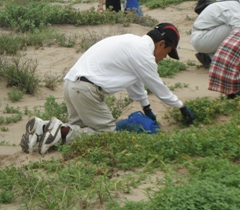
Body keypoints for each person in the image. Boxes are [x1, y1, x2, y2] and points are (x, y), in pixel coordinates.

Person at [20, 23, 196, 155]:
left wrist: (146, 107)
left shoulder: (131, 42)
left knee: (79, 131)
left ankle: (42, 127)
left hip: (71, 84)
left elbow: (135, 84)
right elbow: (159, 88)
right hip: (86, 89)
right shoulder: (144, 54)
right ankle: (60, 130)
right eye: (167, 52)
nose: (165, 57)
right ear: (161, 44)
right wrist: (181, 107)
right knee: (107, 134)